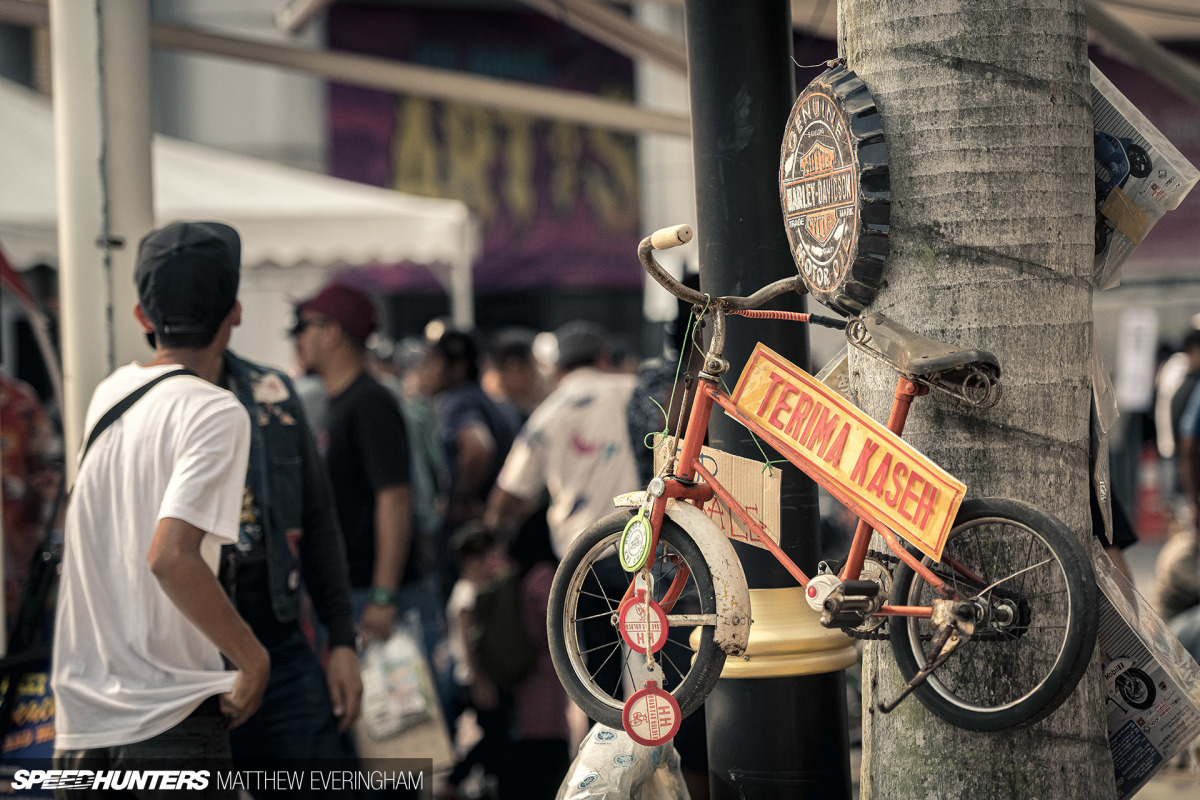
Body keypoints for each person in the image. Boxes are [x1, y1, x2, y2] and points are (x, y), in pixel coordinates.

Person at [51, 221, 267, 790]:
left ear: (142, 317)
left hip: (83, 725)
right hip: (169, 723)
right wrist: (252, 659)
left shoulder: (108, 394)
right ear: (236, 312)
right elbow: (171, 557)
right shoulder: (216, 412)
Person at [219, 347, 362, 769]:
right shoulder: (147, 397)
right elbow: (166, 557)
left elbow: (317, 521)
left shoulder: (270, 391)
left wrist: (341, 640)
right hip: (191, 664)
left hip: (279, 644)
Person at [290, 283, 440, 653]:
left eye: (303, 326)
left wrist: (383, 596)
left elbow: (395, 500)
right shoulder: (339, 403)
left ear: (332, 332)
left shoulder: (370, 402)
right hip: (352, 595)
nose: (297, 338)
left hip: (376, 600)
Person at [485, 321, 639, 559]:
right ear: (604, 358)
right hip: (643, 542)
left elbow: (507, 494)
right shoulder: (635, 392)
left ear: (558, 369)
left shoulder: (546, 416)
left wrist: (492, 544)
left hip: (579, 558)